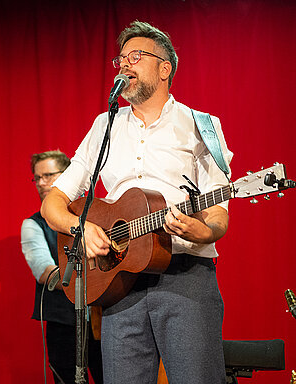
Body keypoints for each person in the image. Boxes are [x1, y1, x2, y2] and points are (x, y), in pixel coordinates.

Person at [40, 21, 233, 384]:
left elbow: (219, 215)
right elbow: (54, 204)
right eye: (121, 59)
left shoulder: (201, 125)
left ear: (165, 69)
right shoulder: (104, 126)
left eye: (136, 57)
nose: (124, 65)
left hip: (184, 276)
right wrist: (81, 229)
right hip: (118, 283)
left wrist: (203, 231)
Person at [21, 150, 103, 384]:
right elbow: (44, 273)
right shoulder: (33, 225)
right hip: (64, 323)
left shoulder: (97, 215)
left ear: (68, 175)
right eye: (37, 178)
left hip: (104, 316)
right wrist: (89, 277)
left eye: (48, 175)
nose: (41, 183)